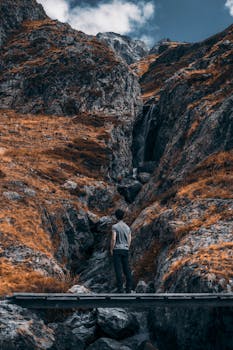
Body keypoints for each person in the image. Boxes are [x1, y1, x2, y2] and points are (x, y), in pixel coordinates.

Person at [110, 209, 132, 293]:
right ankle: (128, 288)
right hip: (125, 249)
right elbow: (130, 239)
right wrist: (127, 247)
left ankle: (120, 289)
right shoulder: (127, 227)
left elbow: (113, 238)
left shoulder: (115, 227)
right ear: (123, 216)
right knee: (126, 269)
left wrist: (111, 249)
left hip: (117, 249)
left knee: (118, 269)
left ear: (116, 216)